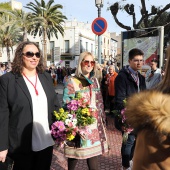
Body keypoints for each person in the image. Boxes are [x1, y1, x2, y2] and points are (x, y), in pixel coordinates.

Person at [0, 41, 59, 170]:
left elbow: (55, 105)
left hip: (46, 143)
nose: (34, 57)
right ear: (21, 56)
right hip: (20, 145)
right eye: (30, 54)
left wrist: (64, 128)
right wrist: (2, 146)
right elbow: (2, 115)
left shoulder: (46, 77)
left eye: (37, 54)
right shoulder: (8, 80)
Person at [63, 51, 108, 170]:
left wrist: (103, 119)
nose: (89, 64)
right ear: (80, 63)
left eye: (92, 62)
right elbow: (66, 104)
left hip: (94, 126)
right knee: (74, 155)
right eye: (86, 62)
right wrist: (73, 126)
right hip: (78, 126)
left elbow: (100, 102)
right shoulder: (71, 80)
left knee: (93, 156)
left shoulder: (95, 81)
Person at [114, 48, 146, 170]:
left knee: (136, 141)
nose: (139, 63)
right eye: (136, 60)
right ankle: (125, 165)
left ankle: (131, 161)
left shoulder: (141, 78)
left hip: (139, 116)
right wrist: (126, 116)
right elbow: (120, 99)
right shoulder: (122, 77)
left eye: (141, 60)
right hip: (127, 116)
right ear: (129, 61)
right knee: (128, 142)